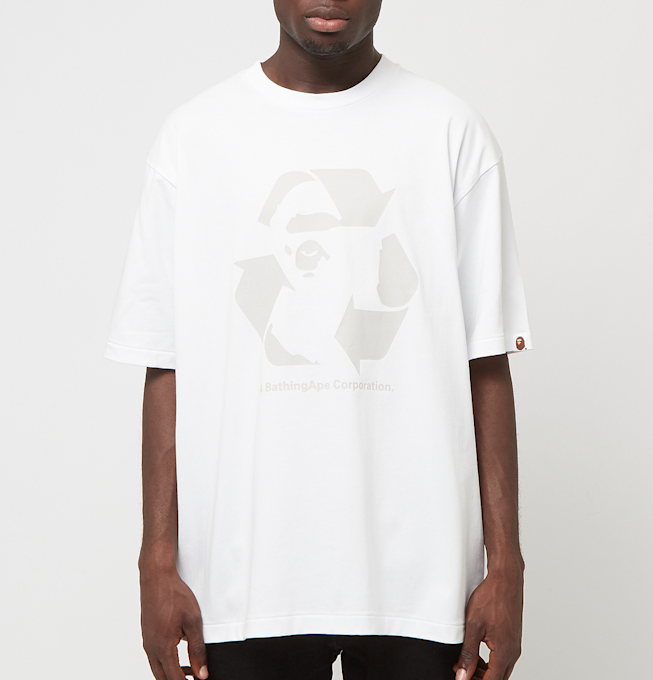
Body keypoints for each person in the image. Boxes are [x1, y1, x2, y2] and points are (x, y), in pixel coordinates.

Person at [104, 1, 533, 679]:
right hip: (242, 584)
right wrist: (155, 560)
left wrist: (506, 565)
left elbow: (485, 361)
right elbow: (166, 363)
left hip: (419, 588)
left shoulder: (450, 132)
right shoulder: (195, 139)